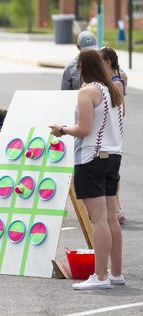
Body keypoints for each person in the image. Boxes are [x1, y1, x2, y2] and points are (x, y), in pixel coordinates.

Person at [50, 49, 124, 290]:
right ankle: (116, 273)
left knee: (99, 218)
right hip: (113, 156)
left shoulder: (88, 92)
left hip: (91, 157)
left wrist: (61, 129)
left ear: (83, 67)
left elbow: (83, 129)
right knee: (111, 217)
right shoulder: (114, 89)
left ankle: (100, 276)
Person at [101, 46, 127, 224]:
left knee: (110, 172)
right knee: (108, 172)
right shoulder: (108, 80)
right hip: (106, 132)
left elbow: (121, 109)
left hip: (112, 133)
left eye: (100, 60)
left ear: (108, 61)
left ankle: (117, 209)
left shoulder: (116, 81)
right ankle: (114, 209)